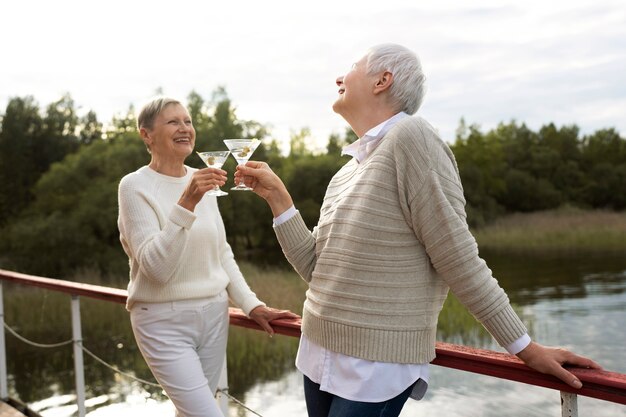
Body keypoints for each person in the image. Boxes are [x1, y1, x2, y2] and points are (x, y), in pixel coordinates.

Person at [235, 44, 602, 417]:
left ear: (383, 80)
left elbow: (458, 257)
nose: (339, 78)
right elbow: (317, 271)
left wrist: (524, 347)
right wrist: (279, 200)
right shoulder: (346, 172)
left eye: (352, 67)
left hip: (375, 366)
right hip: (317, 354)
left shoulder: (413, 138)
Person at [117, 97, 298, 417]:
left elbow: (222, 253)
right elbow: (156, 269)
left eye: (187, 121)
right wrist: (187, 201)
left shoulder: (204, 178)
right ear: (146, 134)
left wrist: (251, 304)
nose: (185, 128)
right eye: (173, 122)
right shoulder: (134, 186)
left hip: (215, 316)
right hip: (162, 321)